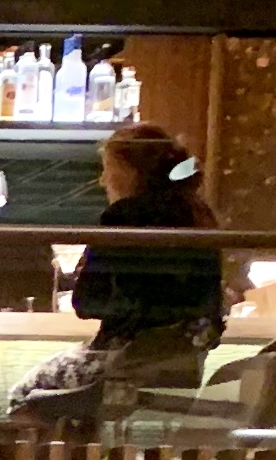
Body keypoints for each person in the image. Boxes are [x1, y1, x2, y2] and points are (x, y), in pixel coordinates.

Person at [14, 122, 223, 430]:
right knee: (78, 408)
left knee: (23, 395)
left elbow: (86, 303)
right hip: (183, 364)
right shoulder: (200, 214)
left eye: (107, 168)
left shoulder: (123, 216)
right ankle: (90, 458)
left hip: (125, 365)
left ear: (130, 171)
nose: (102, 180)